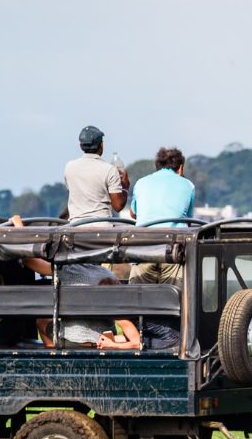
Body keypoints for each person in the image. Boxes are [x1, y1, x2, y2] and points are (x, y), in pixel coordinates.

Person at [12, 215, 180, 350]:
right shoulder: (107, 274)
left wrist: (19, 228)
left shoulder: (68, 270)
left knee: (41, 321)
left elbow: (29, 261)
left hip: (72, 342)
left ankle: (53, 353)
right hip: (102, 340)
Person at [128, 147, 195, 284]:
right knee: (176, 300)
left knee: (139, 300)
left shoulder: (141, 182)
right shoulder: (188, 185)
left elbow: (133, 214)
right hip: (173, 250)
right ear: (181, 168)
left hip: (142, 249)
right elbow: (188, 221)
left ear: (156, 166)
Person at [63, 125, 130, 223]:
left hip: (75, 226)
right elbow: (118, 206)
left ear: (81, 146)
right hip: (101, 227)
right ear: (101, 145)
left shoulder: (69, 167)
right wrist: (125, 187)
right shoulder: (109, 169)